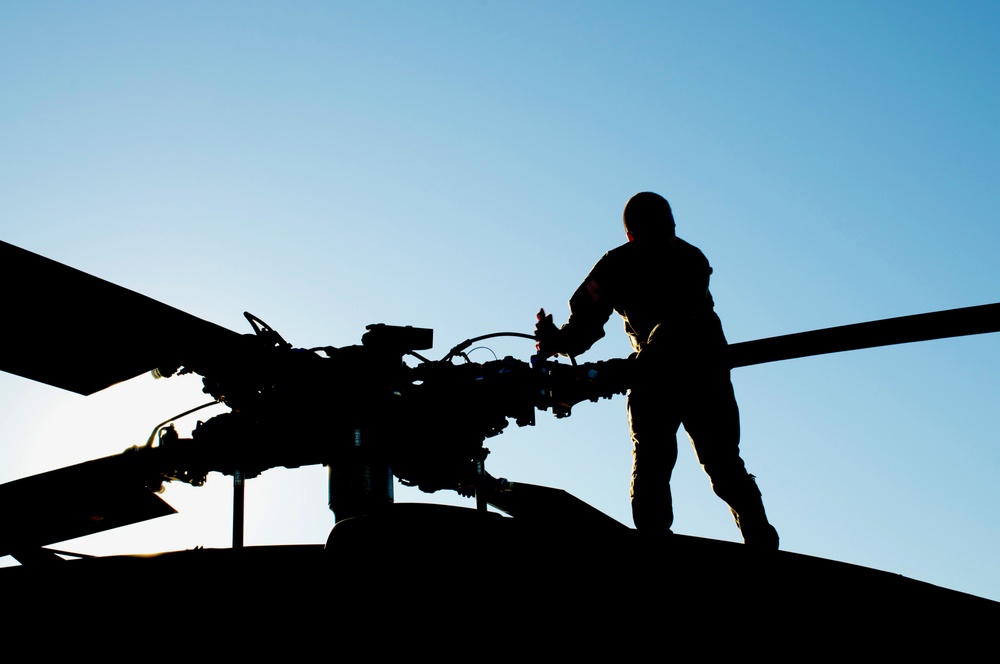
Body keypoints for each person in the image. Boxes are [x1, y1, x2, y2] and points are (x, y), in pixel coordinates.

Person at [535, 192, 778, 548]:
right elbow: (584, 326)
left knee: (723, 467)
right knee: (652, 464)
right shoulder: (615, 268)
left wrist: (645, 356)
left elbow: (680, 320)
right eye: (655, 234)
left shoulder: (692, 261)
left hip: (701, 372)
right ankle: (652, 542)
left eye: (667, 232)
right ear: (633, 238)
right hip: (652, 376)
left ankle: (760, 541)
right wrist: (557, 341)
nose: (665, 241)